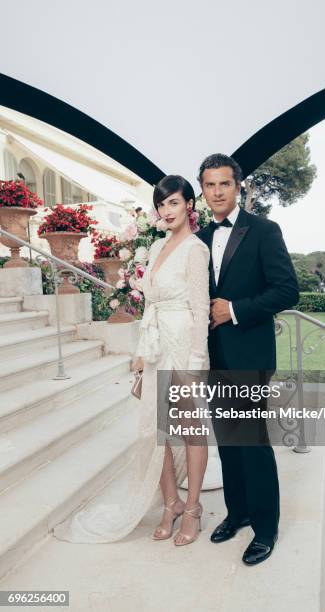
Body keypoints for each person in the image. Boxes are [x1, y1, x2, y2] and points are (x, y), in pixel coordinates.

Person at [52, 175, 210, 546]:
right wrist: (141, 356)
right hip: (155, 343)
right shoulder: (155, 249)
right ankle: (169, 504)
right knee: (153, 430)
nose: (167, 210)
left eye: (174, 202)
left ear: (189, 205)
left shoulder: (196, 249)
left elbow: (201, 310)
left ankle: (192, 508)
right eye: (161, 204)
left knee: (191, 430)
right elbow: (151, 305)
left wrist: (195, 362)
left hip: (184, 341)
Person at [195, 153, 300, 566]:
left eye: (224, 183)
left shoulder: (264, 230)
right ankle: (237, 512)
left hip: (250, 355)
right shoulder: (199, 238)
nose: (217, 192)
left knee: (252, 442)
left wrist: (233, 309)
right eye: (209, 185)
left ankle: (266, 528)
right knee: (228, 441)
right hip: (212, 355)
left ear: (239, 186)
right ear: (201, 190)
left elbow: (287, 290)